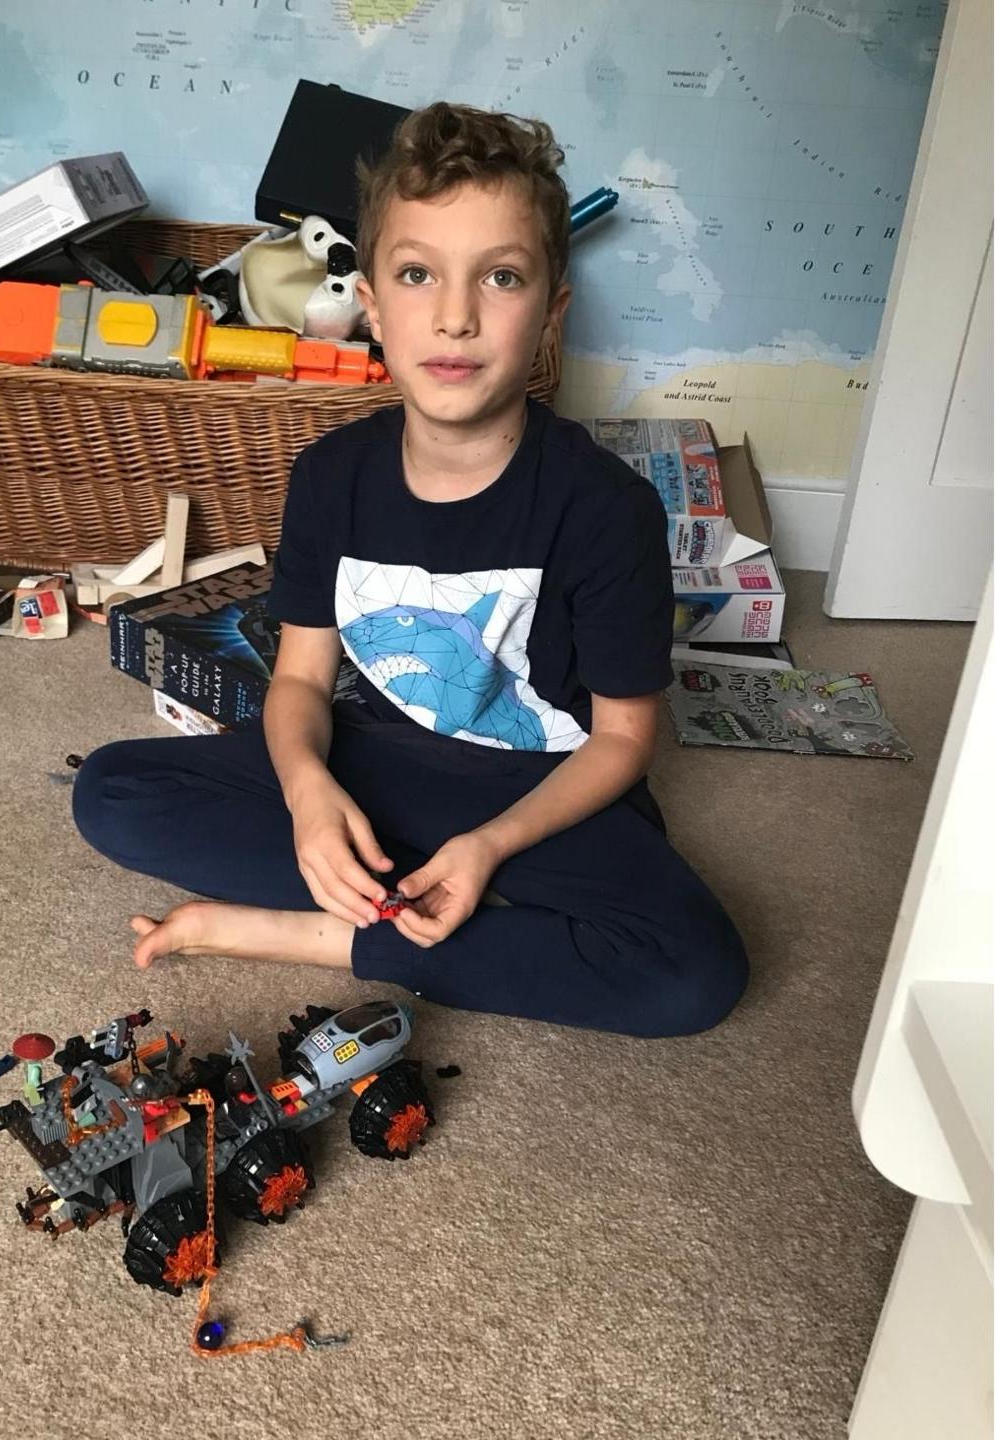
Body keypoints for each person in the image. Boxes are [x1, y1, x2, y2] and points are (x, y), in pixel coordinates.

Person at [73, 102, 749, 1036]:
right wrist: (311, 799)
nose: (457, 314)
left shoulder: (606, 507)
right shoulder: (332, 476)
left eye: (501, 277)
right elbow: (302, 679)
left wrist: (489, 847)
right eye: (419, 274)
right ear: (376, 307)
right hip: (377, 763)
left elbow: (626, 740)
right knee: (112, 793)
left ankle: (313, 934)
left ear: (551, 312)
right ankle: (452, 918)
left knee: (694, 973)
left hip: (536, 789)